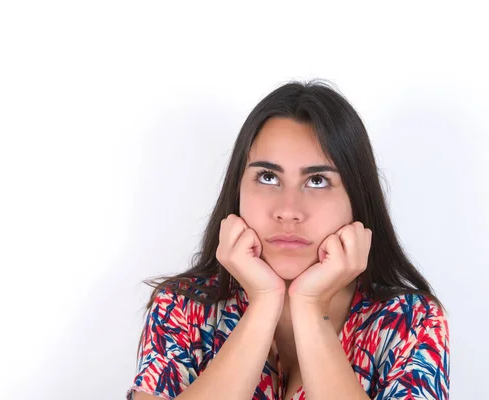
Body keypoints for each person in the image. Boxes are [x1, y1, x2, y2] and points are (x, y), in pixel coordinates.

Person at [126, 80, 450, 400]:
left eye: (318, 180)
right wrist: (264, 302)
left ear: (357, 198)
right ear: (237, 191)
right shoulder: (182, 308)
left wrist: (309, 307)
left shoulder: (411, 324)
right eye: (268, 177)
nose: (289, 211)